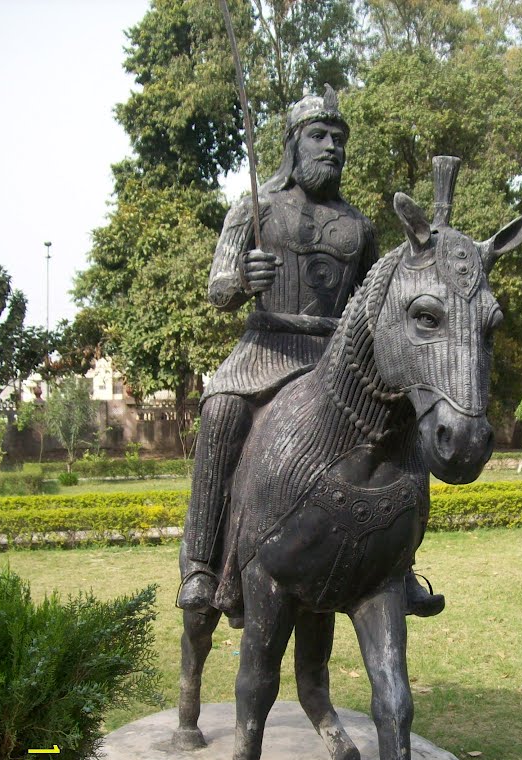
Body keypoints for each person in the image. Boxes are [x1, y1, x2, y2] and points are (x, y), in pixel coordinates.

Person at [178, 85, 443, 620]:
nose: (331, 147)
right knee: (223, 410)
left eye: (339, 139)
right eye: (319, 136)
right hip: (266, 349)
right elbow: (217, 290)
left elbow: (375, 301)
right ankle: (201, 566)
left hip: (332, 360)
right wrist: (240, 278)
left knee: (404, 424)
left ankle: (402, 563)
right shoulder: (252, 210)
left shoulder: (358, 226)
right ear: (292, 144)